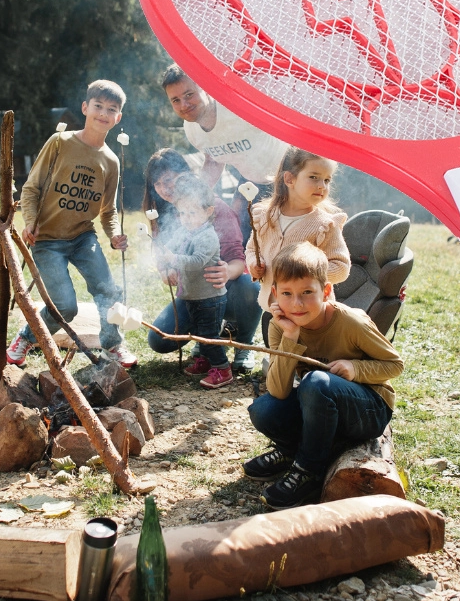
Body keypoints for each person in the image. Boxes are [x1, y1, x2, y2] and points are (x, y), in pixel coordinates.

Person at [243, 242, 403, 509]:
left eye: (307, 292)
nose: (297, 303)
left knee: (316, 382)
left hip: (368, 409)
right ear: (275, 294)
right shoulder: (280, 325)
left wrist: (356, 369)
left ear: (326, 291)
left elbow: (395, 365)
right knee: (263, 410)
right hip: (320, 406)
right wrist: (291, 336)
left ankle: (308, 470)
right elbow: (279, 391)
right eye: (287, 293)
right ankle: (291, 451)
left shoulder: (351, 321)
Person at [6, 79, 138, 369]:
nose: (103, 113)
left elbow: (108, 210)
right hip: (47, 240)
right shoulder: (60, 143)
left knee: (108, 291)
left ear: (118, 118)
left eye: (111, 109)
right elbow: (31, 188)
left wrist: (115, 235)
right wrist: (31, 221)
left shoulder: (111, 161)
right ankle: (26, 338)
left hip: (82, 237)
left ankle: (112, 344)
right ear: (85, 107)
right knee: (65, 306)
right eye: (98, 106)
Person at [142, 149, 261, 372]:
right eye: (157, 184)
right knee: (159, 340)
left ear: (185, 174)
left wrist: (227, 271)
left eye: (168, 180)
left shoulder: (214, 208)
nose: (164, 189)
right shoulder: (165, 214)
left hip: (224, 290)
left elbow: (238, 259)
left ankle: (244, 343)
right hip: (194, 294)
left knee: (250, 286)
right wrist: (166, 271)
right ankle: (210, 336)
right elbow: (163, 256)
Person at [161, 64, 287, 240]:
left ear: (205, 88)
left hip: (288, 176)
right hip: (251, 182)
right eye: (175, 100)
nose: (184, 105)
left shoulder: (236, 105)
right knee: (238, 235)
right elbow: (214, 160)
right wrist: (196, 196)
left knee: (288, 239)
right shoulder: (191, 130)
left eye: (189, 94)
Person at [245, 147, 351, 346]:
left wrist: (304, 273)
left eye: (327, 180)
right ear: (289, 179)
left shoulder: (324, 225)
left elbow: (341, 268)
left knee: (305, 360)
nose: (322, 186)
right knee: (278, 359)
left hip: (311, 317)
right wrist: (254, 264)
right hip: (274, 309)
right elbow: (252, 249)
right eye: (314, 177)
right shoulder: (265, 216)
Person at [154, 174, 234, 389]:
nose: (186, 218)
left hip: (209, 297)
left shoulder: (207, 236)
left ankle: (223, 369)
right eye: (182, 213)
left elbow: (197, 262)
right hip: (192, 295)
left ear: (208, 211)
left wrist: (173, 259)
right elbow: (171, 244)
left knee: (208, 335)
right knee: (199, 332)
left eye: (192, 212)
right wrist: (162, 251)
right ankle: (206, 361)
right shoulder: (185, 231)